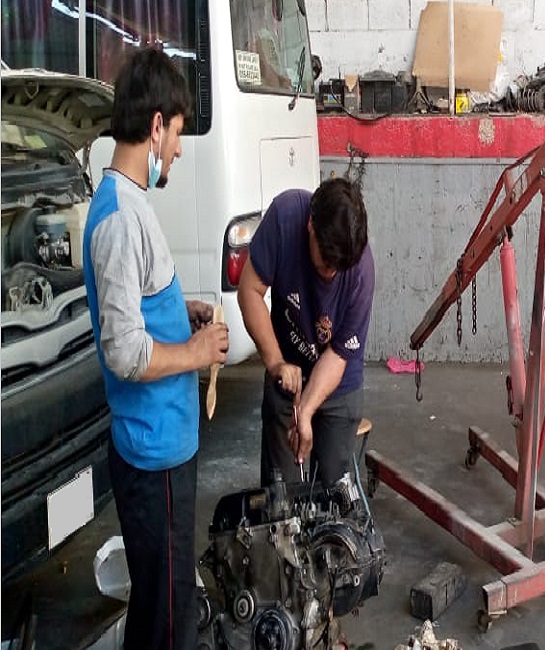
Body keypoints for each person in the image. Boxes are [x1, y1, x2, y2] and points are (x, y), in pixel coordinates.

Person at [83, 47, 229, 649]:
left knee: (158, 606)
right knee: (170, 621)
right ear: (155, 125)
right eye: (177, 133)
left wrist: (179, 312)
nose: (178, 149)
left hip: (163, 449)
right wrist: (196, 352)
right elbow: (124, 351)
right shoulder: (120, 218)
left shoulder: (132, 204)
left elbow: (140, 305)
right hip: (153, 456)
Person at [238, 178, 375, 489]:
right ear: (311, 225)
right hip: (286, 372)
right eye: (326, 264)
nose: (331, 272)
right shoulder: (286, 218)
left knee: (334, 494)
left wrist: (307, 409)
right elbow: (250, 291)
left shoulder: (361, 270)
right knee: (280, 497)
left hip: (339, 383)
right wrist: (275, 362)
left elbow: (339, 354)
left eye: (339, 268)